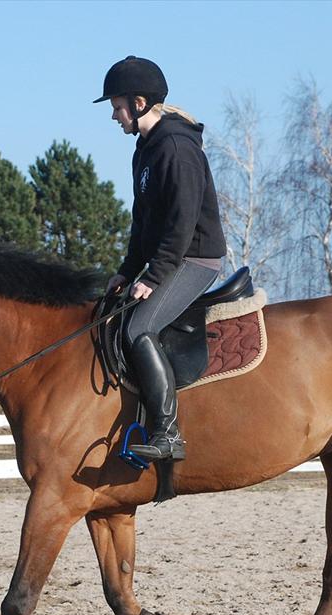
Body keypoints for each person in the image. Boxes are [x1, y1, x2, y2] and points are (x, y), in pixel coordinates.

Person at [94, 56, 227, 462]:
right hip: (170, 257)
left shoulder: (175, 148)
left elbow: (182, 222)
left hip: (195, 258)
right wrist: (127, 270)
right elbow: (144, 224)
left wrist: (153, 276)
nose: (114, 116)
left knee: (138, 329)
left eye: (117, 107)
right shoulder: (145, 152)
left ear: (138, 103)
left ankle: (168, 434)